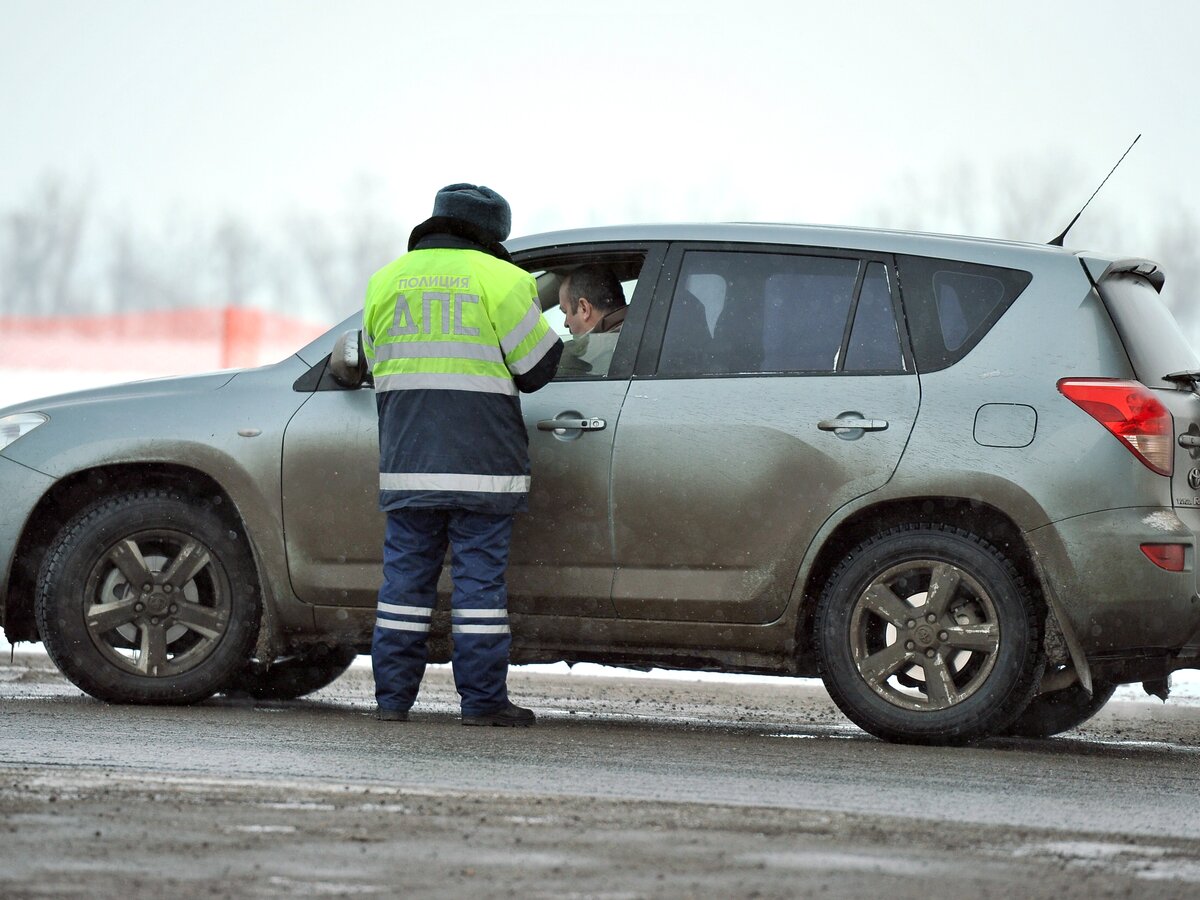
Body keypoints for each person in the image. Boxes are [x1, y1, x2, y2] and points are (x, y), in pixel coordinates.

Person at [362, 183, 562, 727]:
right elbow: (538, 370)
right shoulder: (504, 281)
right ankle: (481, 702)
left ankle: (392, 701)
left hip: (409, 464)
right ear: (495, 235)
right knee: (478, 592)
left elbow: (373, 361)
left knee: (403, 587)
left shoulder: (386, 281)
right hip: (483, 469)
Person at [556, 264, 627, 377]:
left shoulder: (597, 354)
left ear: (584, 308)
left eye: (565, 311)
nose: (566, 323)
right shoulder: (640, 333)